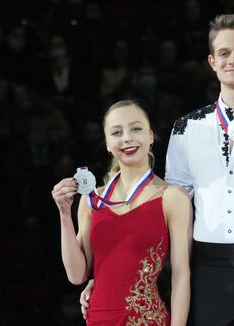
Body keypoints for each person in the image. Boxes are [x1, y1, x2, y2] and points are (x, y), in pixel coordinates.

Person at [81, 14, 234, 326]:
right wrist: (110, 279)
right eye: (224, 53)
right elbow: (161, 218)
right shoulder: (186, 129)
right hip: (205, 276)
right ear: (212, 61)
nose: (233, 60)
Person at [52, 100, 192, 325]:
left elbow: (181, 275)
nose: (127, 137)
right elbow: (77, 275)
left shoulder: (172, 197)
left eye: (136, 129)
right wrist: (64, 214)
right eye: (116, 132)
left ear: (150, 136)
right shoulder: (92, 200)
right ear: (107, 144)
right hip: (98, 318)